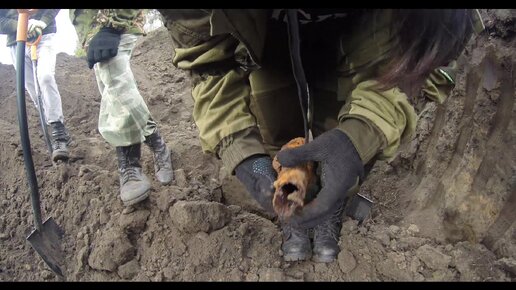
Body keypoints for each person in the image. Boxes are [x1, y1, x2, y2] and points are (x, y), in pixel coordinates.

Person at [158, 9, 483, 262]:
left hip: (370, 42)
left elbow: (431, 56)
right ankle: (295, 221)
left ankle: (333, 208)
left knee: (343, 152)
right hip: (263, 39)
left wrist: (360, 137)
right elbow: (208, 60)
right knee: (278, 134)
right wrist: (240, 150)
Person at [69, 9, 174, 206]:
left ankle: (139, 159)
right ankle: (152, 148)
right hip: (91, 34)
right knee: (112, 94)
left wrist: (112, 27)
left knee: (115, 80)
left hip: (115, 24)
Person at [0, 9, 71, 161]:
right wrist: (20, 24)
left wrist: (43, 21)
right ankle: (51, 126)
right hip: (17, 42)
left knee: (45, 77)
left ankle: (58, 131)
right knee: (32, 89)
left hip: (43, 34)